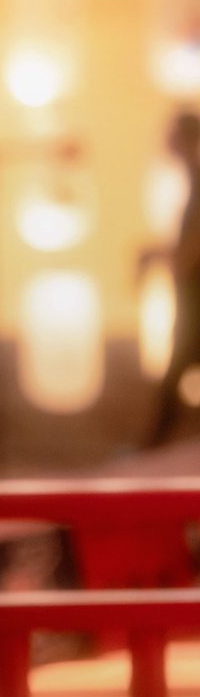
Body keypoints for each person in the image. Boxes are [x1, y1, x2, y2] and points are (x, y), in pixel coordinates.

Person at [144, 109, 200, 448]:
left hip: (195, 297)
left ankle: (152, 447)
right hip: (190, 295)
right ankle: (153, 445)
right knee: (178, 369)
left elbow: (192, 246)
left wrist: (168, 259)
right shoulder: (192, 180)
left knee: (178, 368)